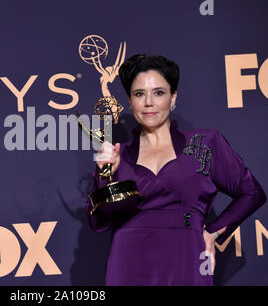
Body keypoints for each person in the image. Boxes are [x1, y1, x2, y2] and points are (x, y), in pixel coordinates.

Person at [86, 54, 267, 286]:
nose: (148, 102)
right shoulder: (118, 155)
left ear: (173, 98)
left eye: (158, 93)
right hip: (127, 263)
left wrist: (212, 232)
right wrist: (106, 175)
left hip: (186, 259)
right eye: (139, 94)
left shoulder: (206, 143)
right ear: (130, 102)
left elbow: (251, 192)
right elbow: (97, 222)